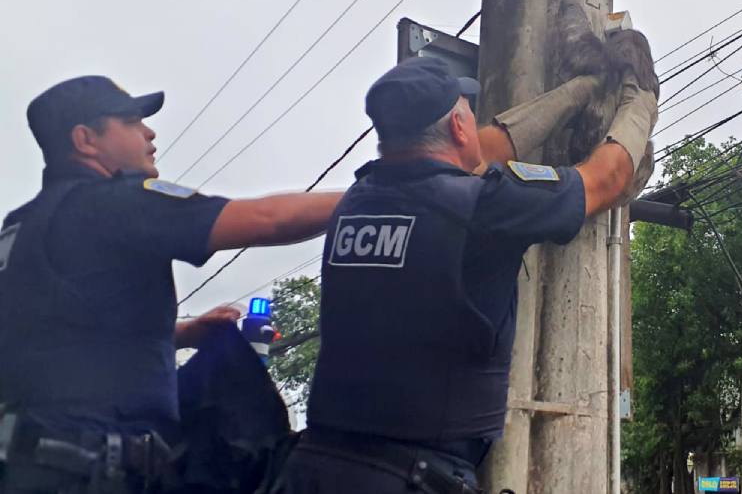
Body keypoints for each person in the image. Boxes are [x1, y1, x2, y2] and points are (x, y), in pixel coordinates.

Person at [277, 55, 658, 494]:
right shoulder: (485, 207)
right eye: (468, 110)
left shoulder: (358, 202)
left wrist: (581, 89)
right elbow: (605, 180)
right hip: (415, 477)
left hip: (315, 469)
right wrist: (641, 95)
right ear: (459, 126)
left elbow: (490, 147)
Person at [0, 75, 343, 494]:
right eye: (130, 121)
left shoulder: (20, 225)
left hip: (27, 464)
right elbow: (268, 220)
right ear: (86, 139)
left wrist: (179, 335)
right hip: (91, 472)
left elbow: (54, 334)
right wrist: (370, 196)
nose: (149, 131)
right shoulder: (114, 201)